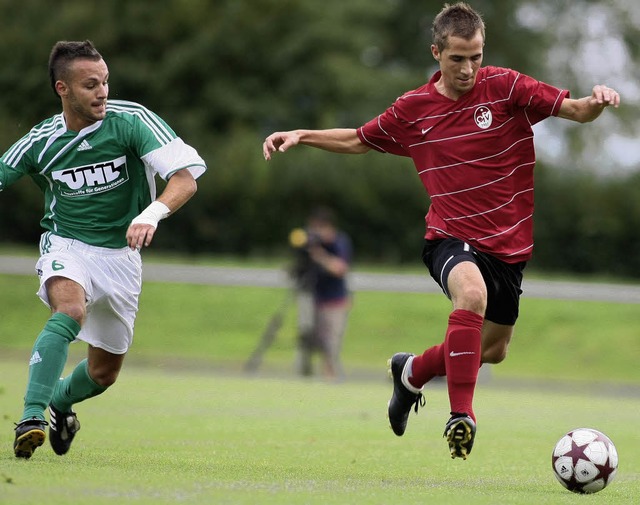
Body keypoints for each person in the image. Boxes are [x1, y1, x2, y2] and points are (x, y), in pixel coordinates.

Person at [262, 2, 620, 459]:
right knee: (470, 295)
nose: (469, 68)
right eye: (457, 58)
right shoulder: (414, 109)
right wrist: (302, 135)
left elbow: (575, 110)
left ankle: (410, 372)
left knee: (491, 350)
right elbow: (358, 138)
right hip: (449, 238)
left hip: (509, 247)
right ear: (436, 52)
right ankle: (462, 416)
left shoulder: (507, 86)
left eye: (476, 56)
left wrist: (597, 102)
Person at [4, 40, 207, 459]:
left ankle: (61, 402)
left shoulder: (132, 121)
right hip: (67, 244)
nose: (102, 93)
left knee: (103, 373)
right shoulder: (41, 141)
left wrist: (150, 214)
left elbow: (185, 181)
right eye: (91, 84)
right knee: (70, 311)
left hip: (121, 258)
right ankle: (31, 416)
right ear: (63, 88)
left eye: (106, 82)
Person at [289, 207, 352, 380]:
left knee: (330, 347)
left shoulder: (339, 242)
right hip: (314, 300)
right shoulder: (312, 244)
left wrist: (319, 255)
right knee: (307, 340)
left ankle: (331, 380)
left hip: (335, 303)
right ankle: (304, 376)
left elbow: (340, 269)